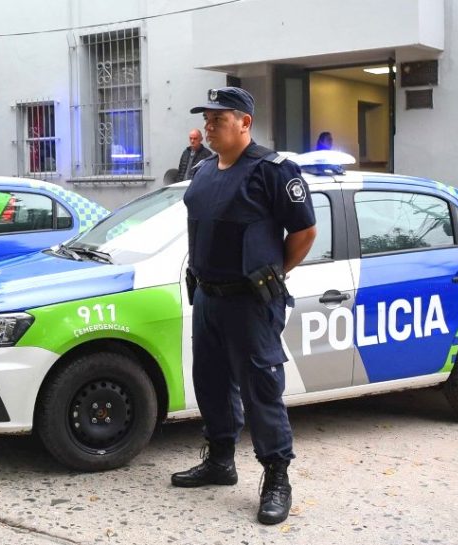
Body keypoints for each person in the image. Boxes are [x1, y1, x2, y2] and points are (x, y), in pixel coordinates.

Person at [173, 87, 317, 525]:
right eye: (208, 118)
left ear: (245, 123)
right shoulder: (203, 170)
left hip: (251, 302)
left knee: (260, 391)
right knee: (211, 383)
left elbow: (304, 232)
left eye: (219, 118)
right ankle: (220, 461)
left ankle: (277, 478)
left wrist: (273, 271)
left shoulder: (273, 170)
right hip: (208, 297)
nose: (210, 125)